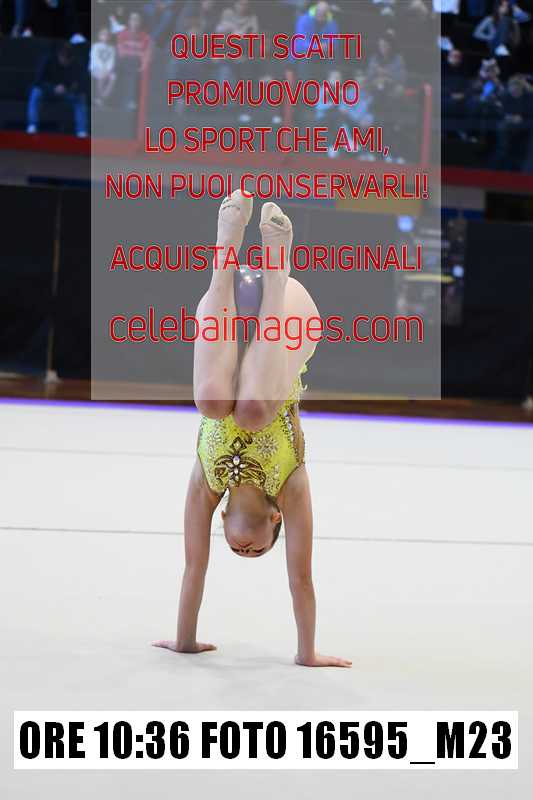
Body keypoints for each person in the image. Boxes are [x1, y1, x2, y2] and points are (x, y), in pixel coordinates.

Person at [153, 191, 352, 668]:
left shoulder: (207, 484)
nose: (247, 551)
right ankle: (277, 264)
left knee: (212, 403)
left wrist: (184, 640)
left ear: (221, 520)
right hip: (291, 315)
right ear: (275, 522)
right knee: (254, 411)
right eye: (260, 551)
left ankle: (225, 250)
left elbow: (194, 566)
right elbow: (301, 579)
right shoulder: (290, 487)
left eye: (238, 550)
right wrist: (307, 653)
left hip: (227, 318)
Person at [26, 42, 88, 136]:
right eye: (64, 59)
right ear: (59, 56)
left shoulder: (76, 63)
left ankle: (81, 131)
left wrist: (70, 88)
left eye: (68, 60)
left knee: (80, 97)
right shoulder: (47, 60)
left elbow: (81, 83)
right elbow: (38, 81)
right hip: (48, 91)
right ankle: (32, 126)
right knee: (36, 91)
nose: (66, 63)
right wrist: (53, 88)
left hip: (66, 92)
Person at [116, 11, 152, 110]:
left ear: (140, 22)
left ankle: (130, 102)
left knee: (136, 70)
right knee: (132, 66)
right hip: (124, 63)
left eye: (137, 19)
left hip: (137, 65)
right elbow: (121, 52)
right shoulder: (122, 34)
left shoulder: (145, 37)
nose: (135, 22)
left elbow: (147, 54)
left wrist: (143, 66)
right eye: (133, 19)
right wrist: (138, 54)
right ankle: (129, 101)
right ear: (129, 21)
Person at [90, 26, 116, 106]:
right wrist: (102, 68)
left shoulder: (112, 48)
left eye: (107, 34)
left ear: (109, 37)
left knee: (113, 76)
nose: (105, 36)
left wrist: (108, 69)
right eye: (103, 34)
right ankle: (99, 98)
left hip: (107, 70)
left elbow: (111, 60)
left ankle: (103, 97)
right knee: (101, 75)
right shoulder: (95, 46)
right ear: (99, 36)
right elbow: (95, 58)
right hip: (95, 68)